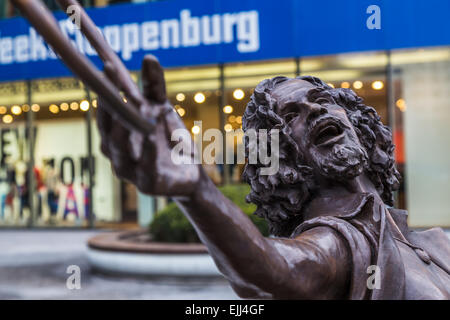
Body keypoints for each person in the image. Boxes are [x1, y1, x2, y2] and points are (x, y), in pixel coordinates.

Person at [96, 55, 450, 299]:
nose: (314, 109)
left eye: (321, 99)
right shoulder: (338, 245)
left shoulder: (436, 242)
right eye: (292, 115)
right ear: (282, 157)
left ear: (357, 121)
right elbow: (273, 271)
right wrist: (197, 192)